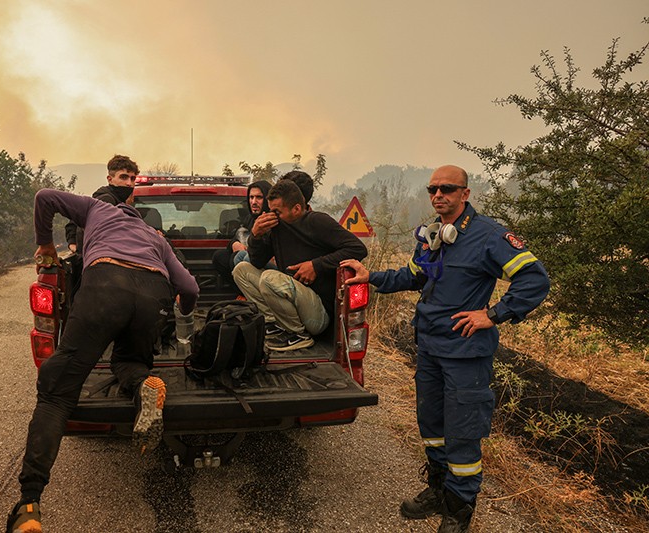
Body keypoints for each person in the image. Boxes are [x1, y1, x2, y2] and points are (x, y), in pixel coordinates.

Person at [340, 165, 550, 533]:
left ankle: (459, 508)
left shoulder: (489, 236)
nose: (438, 195)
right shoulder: (432, 235)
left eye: (447, 189)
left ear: (465, 194)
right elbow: (412, 276)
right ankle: (438, 490)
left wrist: (493, 314)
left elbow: (534, 279)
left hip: (466, 353)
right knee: (432, 425)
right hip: (431, 348)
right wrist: (370, 275)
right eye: (433, 189)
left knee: (463, 432)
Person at [6, 188, 199, 533]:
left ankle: (29, 505)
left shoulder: (97, 209)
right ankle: (143, 386)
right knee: (130, 363)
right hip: (152, 296)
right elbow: (190, 288)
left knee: (57, 391)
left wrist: (47, 245)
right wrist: (182, 315)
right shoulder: (156, 237)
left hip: (106, 285)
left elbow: (44, 197)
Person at [233, 177, 367, 351]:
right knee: (241, 269)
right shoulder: (277, 227)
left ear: (296, 209)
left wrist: (316, 265)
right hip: (293, 300)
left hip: (319, 312)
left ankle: (299, 334)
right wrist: (256, 236)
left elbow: (358, 249)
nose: (272, 215)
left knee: (269, 278)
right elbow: (257, 261)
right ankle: (275, 324)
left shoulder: (317, 221)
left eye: (277, 211)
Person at [63, 154, 140, 306]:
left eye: (132, 179)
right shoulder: (106, 200)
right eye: (123, 177)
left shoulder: (109, 200)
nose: (129, 183)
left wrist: (73, 244)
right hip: (100, 272)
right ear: (110, 179)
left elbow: (73, 221)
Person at [211, 179, 272, 289]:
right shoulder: (250, 218)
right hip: (251, 258)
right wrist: (235, 244)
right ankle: (242, 292)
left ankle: (256, 295)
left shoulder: (271, 219)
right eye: (251, 197)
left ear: (268, 199)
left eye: (259, 197)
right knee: (220, 256)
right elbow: (237, 236)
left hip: (264, 264)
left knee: (240, 257)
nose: (253, 202)